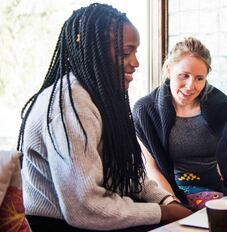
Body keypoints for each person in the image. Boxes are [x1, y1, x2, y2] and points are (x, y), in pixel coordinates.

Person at [17, 3, 191, 231]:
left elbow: (129, 176)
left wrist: (167, 201)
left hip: (96, 217)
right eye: (125, 53)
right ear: (94, 51)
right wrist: (163, 213)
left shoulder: (102, 97)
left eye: (136, 52)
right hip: (60, 225)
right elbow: (84, 208)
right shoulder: (71, 104)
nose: (136, 62)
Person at [133, 37, 227, 209]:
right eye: (184, 76)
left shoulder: (223, 107)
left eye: (199, 78)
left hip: (222, 189)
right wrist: (172, 205)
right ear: (169, 70)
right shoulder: (146, 111)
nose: (190, 86)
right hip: (175, 191)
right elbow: (152, 169)